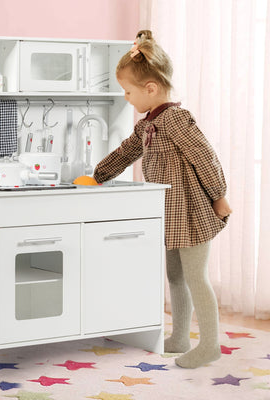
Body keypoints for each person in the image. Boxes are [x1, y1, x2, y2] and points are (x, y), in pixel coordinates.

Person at [91, 30, 232, 368]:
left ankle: (210, 344)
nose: (126, 98)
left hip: (193, 212)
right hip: (168, 213)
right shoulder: (148, 124)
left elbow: (205, 157)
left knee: (196, 277)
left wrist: (219, 196)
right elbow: (126, 152)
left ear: (150, 88)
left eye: (128, 91)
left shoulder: (176, 119)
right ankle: (181, 336)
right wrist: (96, 176)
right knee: (175, 276)